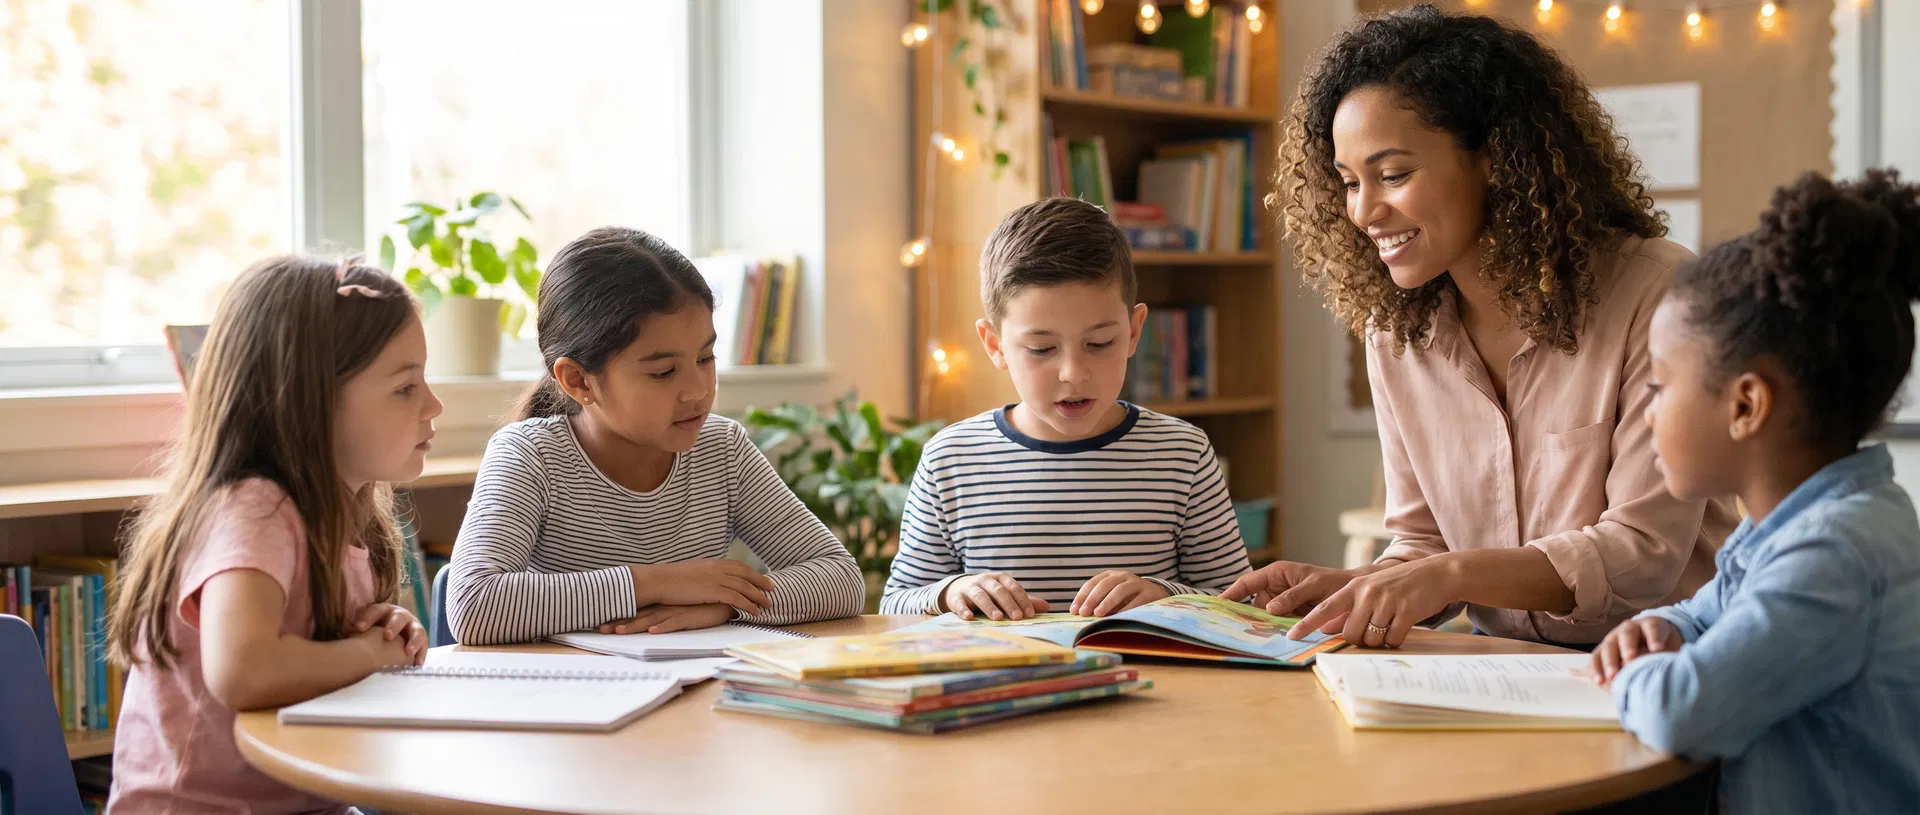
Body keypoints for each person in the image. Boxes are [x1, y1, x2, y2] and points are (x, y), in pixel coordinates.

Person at [1227, 4, 1736, 648]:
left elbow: (1643, 551)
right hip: (1500, 672)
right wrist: (1355, 588)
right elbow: (1425, 544)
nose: (1363, 211)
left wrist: (1448, 575)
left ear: (1495, 156)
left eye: (1393, 175)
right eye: (1350, 182)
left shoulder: (1656, 292)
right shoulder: (1396, 332)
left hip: (1668, 668)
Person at [1591, 170, 1920, 814]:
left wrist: (1630, 672)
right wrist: (1658, 627)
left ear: (1746, 405)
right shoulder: (1791, 527)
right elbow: (1703, 615)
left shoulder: (1834, 553)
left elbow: (1683, 711)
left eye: (1660, 387)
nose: (1649, 414)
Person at [107, 258, 437, 814]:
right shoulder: (254, 510)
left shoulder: (349, 516)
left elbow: (309, 655)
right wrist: (365, 654)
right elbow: (245, 670)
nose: (434, 405)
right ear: (309, 402)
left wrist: (382, 632)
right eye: (405, 387)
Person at [446, 227, 863, 645]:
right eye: (663, 372)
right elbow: (473, 605)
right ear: (578, 380)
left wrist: (724, 604)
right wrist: (661, 583)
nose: (697, 390)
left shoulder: (723, 450)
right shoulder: (529, 456)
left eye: (706, 357)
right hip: (569, 683)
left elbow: (840, 577)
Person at [880, 198, 1250, 620]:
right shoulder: (951, 458)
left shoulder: (1182, 453)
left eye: (1099, 343)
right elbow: (895, 605)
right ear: (995, 345)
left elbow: (1239, 605)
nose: (1073, 373)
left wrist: (1164, 596)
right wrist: (951, 593)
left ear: (1134, 332)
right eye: (1042, 349)